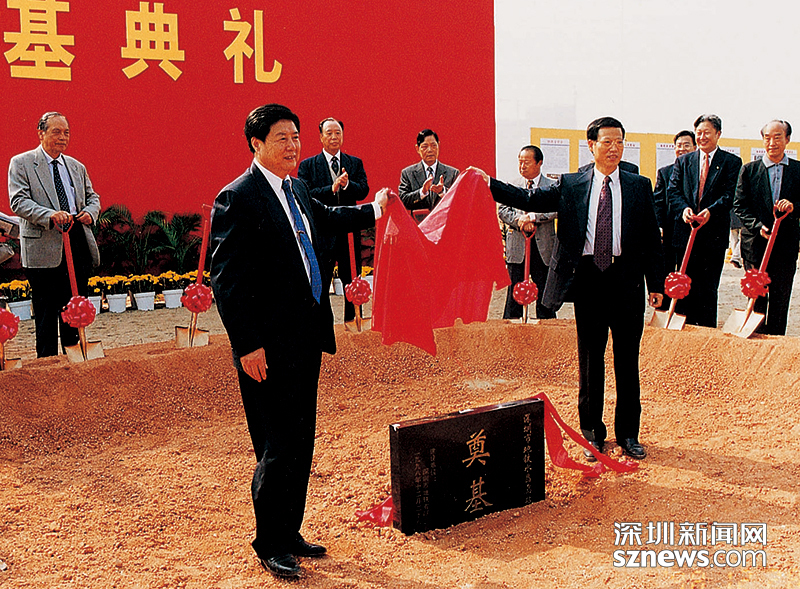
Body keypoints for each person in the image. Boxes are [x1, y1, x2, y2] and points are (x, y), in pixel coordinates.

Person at [210, 104, 387, 579]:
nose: (293, 147)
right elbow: (226, 280)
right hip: (266, 348)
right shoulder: (238, 197)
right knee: (276, 444)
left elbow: (327, 218)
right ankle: (269, 542)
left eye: (296, 137)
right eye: (282, 138)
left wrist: (375, 209)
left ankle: (289, 531)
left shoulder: (298, 188)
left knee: (301, 439)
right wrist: (247, 345)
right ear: (257, 144)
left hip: (306, 337)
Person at [470, 117, 664, 461]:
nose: (614, 148)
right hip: (589, 281)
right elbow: (529, 198)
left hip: (626, 283)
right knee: (590, 362)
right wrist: (490, 183)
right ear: (592, 145)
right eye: (607, 142)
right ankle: (592, 435)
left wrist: (657, 283)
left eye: (619, 142)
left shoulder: (638, 185)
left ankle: (628, 434)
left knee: (627, 361)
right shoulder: (572, 184)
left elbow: (651, 238)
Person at [8, 111, 101, 357]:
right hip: (43, 246)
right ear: (41, 133)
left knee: (75, 309)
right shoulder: (22, 163)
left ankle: (75, 358)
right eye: (56, 131)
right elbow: (18, 201)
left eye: (66, 132)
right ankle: (47, 366)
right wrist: (50, 215)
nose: (63, 137)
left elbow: (92, 197)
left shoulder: (76, 166)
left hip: (76, 241)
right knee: (46, 313)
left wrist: (90, 212)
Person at [667, 114, 742, 328]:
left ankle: (706, 332)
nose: (702, 137)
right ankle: (684, 330)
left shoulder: (731, 162)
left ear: (718, 134)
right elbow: (673, 190)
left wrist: (711, 211)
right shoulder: (684, 161)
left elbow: (730, 194)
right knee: (684, 286)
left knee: (708, 288)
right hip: (685, 234)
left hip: (713, 236)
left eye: (707, 132)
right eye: (698, 133)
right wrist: (684, 209)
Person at [298, 118, 370, 321]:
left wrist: (347, 185)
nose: (334, 137)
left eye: (338, 133)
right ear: (321, 137)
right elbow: (305, 194)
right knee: (321, 281)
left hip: (348, 231)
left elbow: (364, 190)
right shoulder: (308, 165)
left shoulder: (354, 163)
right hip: (322, 232)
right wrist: (331, 188)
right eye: (329, 133)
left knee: (352, 279)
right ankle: (322, 326)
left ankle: (353, 321)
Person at [733, 119, 800, 335]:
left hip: (785, 247)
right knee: (757, 297)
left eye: (777, 137)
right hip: (755, 246)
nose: (772, 142)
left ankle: (776, 343)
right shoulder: (749, 170)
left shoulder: (797, 170)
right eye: (767, 138)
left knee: (780, 298)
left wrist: (793, 207)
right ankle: (756, 341)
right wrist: (758, 225)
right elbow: (739, 206)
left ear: (787, 139)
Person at [498, 145, 558, 320]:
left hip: (543, 247)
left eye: (526, 162)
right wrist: (520, 221)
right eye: (520, 162)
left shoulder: (552, 186)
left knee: (545, 293)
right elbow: (503, 210)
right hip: (518, 246)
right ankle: (512, 327)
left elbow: (555, 209)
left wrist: (534, 217)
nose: (522, 166)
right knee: (514, 292)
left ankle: (547, 327)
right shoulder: (512, 185)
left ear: (539, 163)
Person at [652, 130, 696, 309]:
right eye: (679, 145)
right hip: (670, 233)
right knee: (667, 274)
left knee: (688, 275)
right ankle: (665, 310)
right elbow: (658, 202)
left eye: (686, 145)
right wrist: (659, 226)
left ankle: (684, 311)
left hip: (692, 233)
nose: (682, 149)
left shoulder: (699, 172)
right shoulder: (665, 172)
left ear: (695, 147)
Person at [399, 129, 459, 214]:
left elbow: (459, 200)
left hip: (444, 221)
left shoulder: (453, 173)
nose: (430, 150)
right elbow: (402, 201)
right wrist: (422, 192)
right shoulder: (408, 173)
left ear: (438, 146)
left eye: (434, 145)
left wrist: (442, 191)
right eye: (425, 146)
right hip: (418, 221)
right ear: (417, 148)